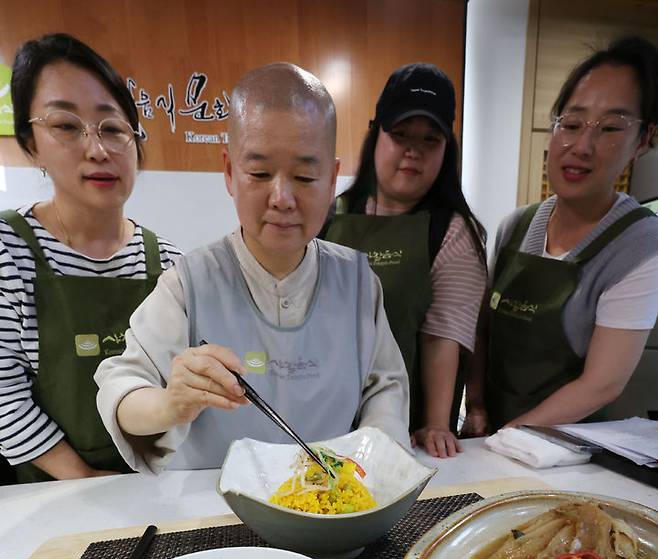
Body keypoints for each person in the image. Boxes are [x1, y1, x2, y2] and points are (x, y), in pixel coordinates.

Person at [95, 63, 409, 473]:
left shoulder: (358, 283)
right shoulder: (189, 284)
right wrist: (171, 403)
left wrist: (372, 462)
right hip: (212, 513)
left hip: (331, 512)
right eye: (260, 173)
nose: (281, 197)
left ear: (332, 180)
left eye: (304, 175)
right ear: (229, 171)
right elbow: (122, 391)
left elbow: (385, 386)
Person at [0, 33, 180, 482]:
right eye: (66, 125)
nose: (97, 149)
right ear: (31, 143)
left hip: (152, 485)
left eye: (113, 128)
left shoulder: (171, 263)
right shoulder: (9, 249)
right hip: (51, 492)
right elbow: (4, 396)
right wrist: (83, 479)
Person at [462, 36, 658, 436]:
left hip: (567, 452)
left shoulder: (640, 245)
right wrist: (476, 405)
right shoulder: (515, 226)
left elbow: (602, 384)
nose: (582, 146)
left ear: (642, 140)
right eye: (570, 124)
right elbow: (482, 329)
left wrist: (507, 436)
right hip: (493, 435)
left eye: (610, 128)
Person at [323, 62, 487, 458]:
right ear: (375, 134)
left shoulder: (452, 232)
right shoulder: (329, 215)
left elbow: (441, 337)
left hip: (407, 433)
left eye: (430, 139)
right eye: (400, 135)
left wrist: (436, 423)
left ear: (447, 150)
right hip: (324, 420)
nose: (413, 150)